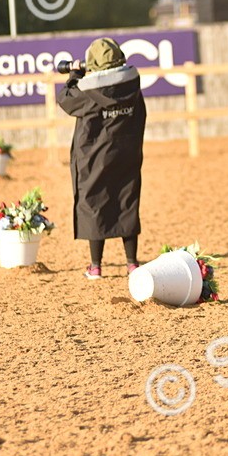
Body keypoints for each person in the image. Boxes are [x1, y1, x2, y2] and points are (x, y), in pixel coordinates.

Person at [58, 37, 147, 279]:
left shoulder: (87, 92)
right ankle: (132, 263)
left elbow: (65, 99)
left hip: (93, 157)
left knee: (93, 204)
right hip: (126, 153)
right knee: (127, 202)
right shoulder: (132, 85)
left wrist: (74, 75)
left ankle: (96, 266)